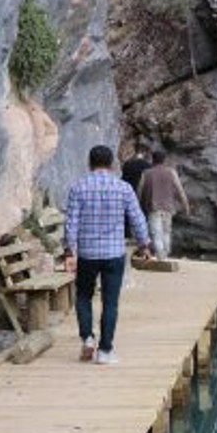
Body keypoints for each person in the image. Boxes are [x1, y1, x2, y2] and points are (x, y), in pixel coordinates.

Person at [64, 145, 152, 365]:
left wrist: (69, 251)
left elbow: (71, 223)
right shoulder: (123, 188)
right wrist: (144, 245)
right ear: (112, 164)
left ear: (89, 163)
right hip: (114, 253)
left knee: (83, 296)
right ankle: (105, 351)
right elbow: (137, 218)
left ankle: (87, 338)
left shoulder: (78, 187)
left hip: (87, 254)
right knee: (110, 302)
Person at [137, 151, 192, 260]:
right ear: (164, 160)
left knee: (156, 232)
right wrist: (186, 206)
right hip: (168, 207)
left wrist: (138, 206)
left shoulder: (146, 173)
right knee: (166, 232)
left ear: (153, 160)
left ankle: (161, 256)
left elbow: (140, 190)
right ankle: (165, 254)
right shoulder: (171, 172)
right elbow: (180, 190)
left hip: (153, 207)